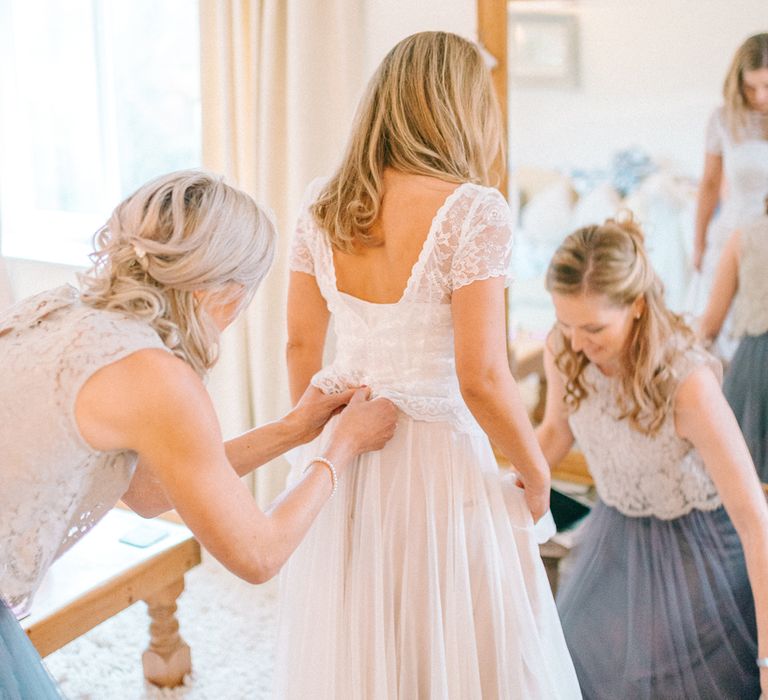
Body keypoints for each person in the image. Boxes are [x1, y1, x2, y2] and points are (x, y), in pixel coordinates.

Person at [0, 170, 397, 698]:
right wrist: (343, 446)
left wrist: (292, 430)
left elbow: (145, 493)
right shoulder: (157, 376)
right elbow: (259, 556)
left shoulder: (56, 308)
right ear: (229, 293)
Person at [274, 31, 580, 699]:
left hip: (346, 442)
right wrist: (534, 471)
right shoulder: (474, 210)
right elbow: (483, 375)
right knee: (459, 635)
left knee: (364, 630)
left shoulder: (321, 203)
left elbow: (300, 347)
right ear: (460, 108)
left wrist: (318, 433)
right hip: (438, 459)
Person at [536, 215, 768, 698]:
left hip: (697, 547)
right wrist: (499, 494)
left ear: (637, 306)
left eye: (594, 327)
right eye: (566, 323)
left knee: (657, 675)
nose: (577, 343)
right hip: (616, 531)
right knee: (570, 647)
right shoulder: (565, 348)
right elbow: (556, 431)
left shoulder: (689, 383)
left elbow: (753, 519)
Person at [689, 32, 768, 358]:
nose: (760, 96)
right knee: (719, 336)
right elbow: (709, 185)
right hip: (732, 236)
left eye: (767, 86)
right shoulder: (722, 120)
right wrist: (699, 243)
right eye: (751, 87)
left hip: (764, 242)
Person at [699, 194, 768, 481]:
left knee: (748, 478)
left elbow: (711, 323)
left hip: (754, 369)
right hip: (754, 368)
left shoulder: (745, 237)